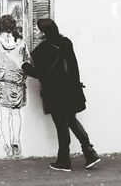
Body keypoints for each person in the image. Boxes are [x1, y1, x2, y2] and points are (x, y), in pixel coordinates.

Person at [22, 18, 100, 171]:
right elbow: (74, 67)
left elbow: (38, 73)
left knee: (61, 125)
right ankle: (90, 152)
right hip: (70, 90)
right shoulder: (66, 42)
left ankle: (64, 161)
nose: (36, 32)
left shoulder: (42, 50)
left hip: (55, 93)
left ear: (44, 32)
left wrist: (26, 67)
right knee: (71, 120)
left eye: (38, 30)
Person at [0, 15, 30, 158]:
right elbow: (27, 65)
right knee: (16, 114)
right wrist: (22, 78)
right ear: (13, 27)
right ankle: (16, 141)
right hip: (17, 84)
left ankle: (7, 145)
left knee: (4, 117)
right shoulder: (22, 43)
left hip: (2, 84)